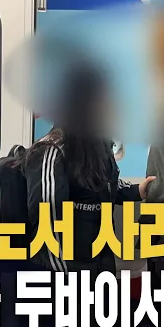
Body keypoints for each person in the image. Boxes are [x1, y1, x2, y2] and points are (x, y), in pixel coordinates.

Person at [22, 59, 155, 275]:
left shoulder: (98, 145)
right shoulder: (51, 151)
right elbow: (48, 230)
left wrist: (137, 191)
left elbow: (104, 186)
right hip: (65, 274)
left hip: (100, 267)